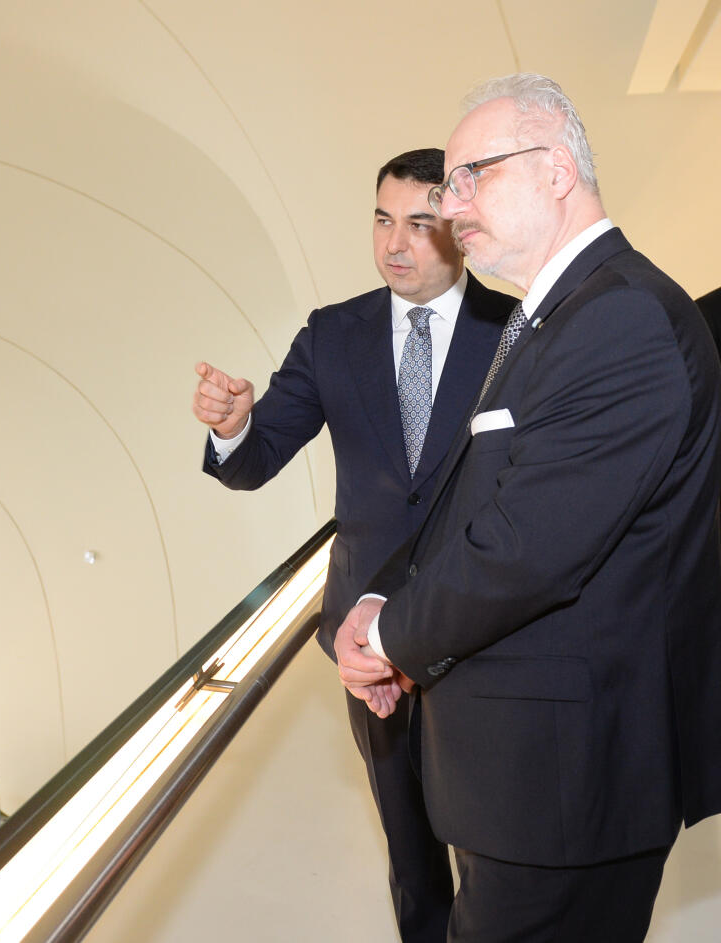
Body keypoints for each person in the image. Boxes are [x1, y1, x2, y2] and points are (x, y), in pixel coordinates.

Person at [335, 73, 721, 942]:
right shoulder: (556, 317)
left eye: (472, 176)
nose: (450, 206)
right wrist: (382, 594)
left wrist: (390, 636)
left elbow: (525, 546)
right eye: (449, 186)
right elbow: (475, 495)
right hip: (528, 782)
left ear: (556, 169)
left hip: (567, 789)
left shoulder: (620, 317)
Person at [193, 148, 515, 942]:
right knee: (410, 852)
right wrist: (234, 427)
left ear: (461, 227)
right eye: (381, 220)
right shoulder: (332, 334)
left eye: (419, 224)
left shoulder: (516, 332)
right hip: (365, 645)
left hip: (481, 630)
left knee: (495, 848)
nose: (394, 244)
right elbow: (259, 456)